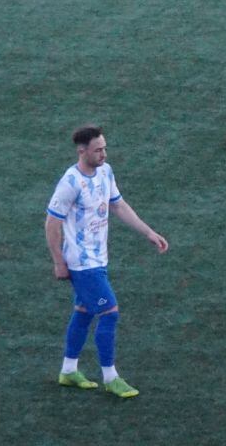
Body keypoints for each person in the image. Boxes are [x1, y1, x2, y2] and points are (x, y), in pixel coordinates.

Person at [45, 125, 170, 398]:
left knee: (84, 311)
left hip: (99, 258)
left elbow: (118, 205)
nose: (103, 153)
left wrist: (148, 232)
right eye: (97, 149)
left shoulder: (106, 171)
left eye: (104, 148)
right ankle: (110, 377)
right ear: (82, 151)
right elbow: (52, 223)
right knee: (109, 313)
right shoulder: (70, 182)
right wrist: (58, 261)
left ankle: (68, 370)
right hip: (82, 262)